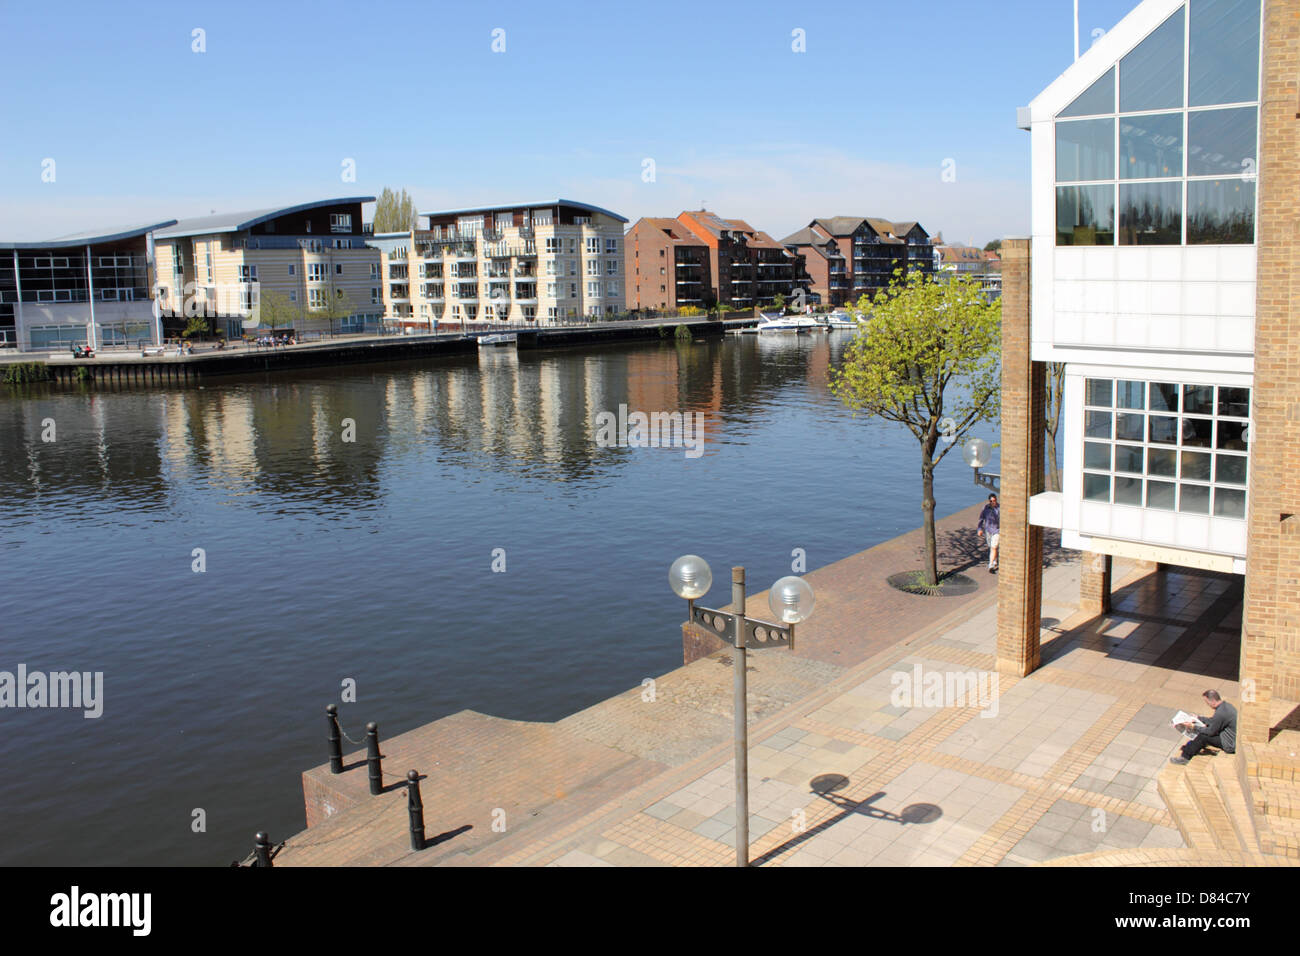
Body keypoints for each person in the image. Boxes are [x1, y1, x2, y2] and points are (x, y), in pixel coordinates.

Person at [1170, 690, 1236, 764]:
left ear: (1213, 701)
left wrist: (1193, 726)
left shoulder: (1220, 713)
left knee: (1203, 736)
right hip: (1229, 737)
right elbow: (1214, 721)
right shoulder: (1226, 706)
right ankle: (1193, 747)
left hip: (1229, 743)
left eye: (1207, 703)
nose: (1208, 705)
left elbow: (1210, 732)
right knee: (1203, 731)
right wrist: (1199, 718)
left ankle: (1185, 757)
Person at [976, 493, 999, 573]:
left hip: (997, 530)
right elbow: (981, 519)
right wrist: (979, 529)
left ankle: (991, 565)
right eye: (991, 501)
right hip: (988, 530)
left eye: (994, 500)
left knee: (994, 547)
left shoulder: (999, 508)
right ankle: (995, 560)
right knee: (991, 546)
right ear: (989, 501)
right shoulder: (985, 508)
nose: (993, 502)